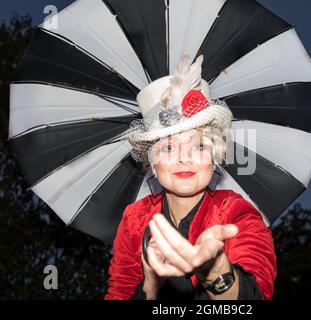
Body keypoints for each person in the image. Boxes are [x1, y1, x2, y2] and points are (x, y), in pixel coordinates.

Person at [104, 55, 276, 300]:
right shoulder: (134, 220)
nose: (185, 159)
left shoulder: (236, 213)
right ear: (152, 163)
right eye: (169, 148)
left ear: (213, 157)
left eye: (199, 147)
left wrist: (216, 270)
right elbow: (117, 293)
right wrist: (151, 285)